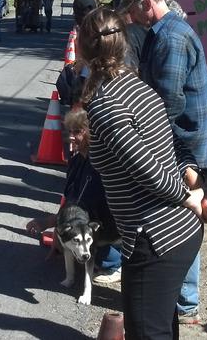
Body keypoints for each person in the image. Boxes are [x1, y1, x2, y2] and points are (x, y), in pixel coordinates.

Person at [78, 7, 204, 339]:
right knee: (159, 327)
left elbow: (146, 169)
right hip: (165, 232)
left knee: (147, 333)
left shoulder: (107, 103)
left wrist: (187, 197)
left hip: (157, 235)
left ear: (82, 47)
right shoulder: (133, 85)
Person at [119, 0, 207, 325]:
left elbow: (169, 98)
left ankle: (185, 302)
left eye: (133, 10)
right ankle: (181, 298)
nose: (131, 19)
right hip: (182, 138)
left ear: (147, 4)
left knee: (182, 214)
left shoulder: (170, 37)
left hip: (183, 141)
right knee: (183, 211)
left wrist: (148, 135)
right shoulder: (164, 32)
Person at [25, 106, 123, 284]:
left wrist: (57, 227)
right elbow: (71, 203)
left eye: (77, 132)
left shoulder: (105, 165)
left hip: (111, 225)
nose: (71, 137)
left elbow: (87, 211)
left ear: (92, 133)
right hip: (86, 220)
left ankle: (115, 263)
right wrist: (54, 227)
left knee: (84, 231)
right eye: (70, 131)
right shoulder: (77, 161)